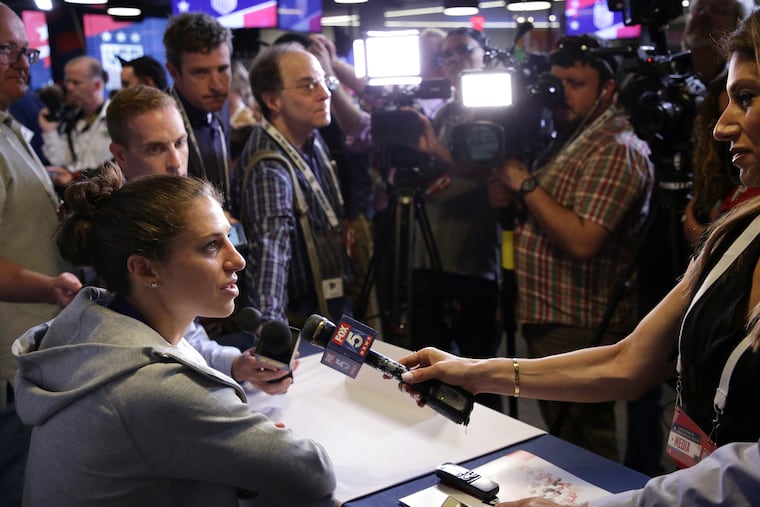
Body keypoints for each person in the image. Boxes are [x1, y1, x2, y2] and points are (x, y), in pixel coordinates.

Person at [393, 12, 760, 505]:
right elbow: (627, 360)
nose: (720, 126)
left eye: (747, 98)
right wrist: (474, 372)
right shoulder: (735, 231)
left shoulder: (619, 151)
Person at [12, 164, 336, 505]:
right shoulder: (152, 386)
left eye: (229, 237)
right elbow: (312, 472)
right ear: (145, 269)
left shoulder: (91, 329)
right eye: (211, 246)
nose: (237, 260)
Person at [486, 35, 653, 460]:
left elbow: (583, 240)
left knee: (586, 447)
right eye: (557, 82)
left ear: (608, 89)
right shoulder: (570, 133)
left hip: (581, 320)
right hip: (554, 314)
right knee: (563, 440)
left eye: (576, 83)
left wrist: (525, 185)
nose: (562, 94)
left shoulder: (616, 148)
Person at [105, 84, 295, 393]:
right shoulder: (113, 234)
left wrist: (235, 365)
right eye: (155, 148)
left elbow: (185, 335)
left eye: (180, 143)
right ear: (120, 155)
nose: (175, 162)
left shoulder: (181, 208)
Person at [0, 6, 83, 504]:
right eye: (5, 50)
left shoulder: (8, 123)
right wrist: (50, 286)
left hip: (30, 363)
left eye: (24, 49)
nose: (22, 62)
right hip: (8, 377)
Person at [230, 42, 351, 326]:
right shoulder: (270, 167)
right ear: (273, 101)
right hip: (303, 315)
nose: (325, 94)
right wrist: (270, 337)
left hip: (326, 299)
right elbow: (270, 252)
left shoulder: (308, 135)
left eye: (324, 81)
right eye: (308, 86)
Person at [163, 12, 233, 205]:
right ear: (174, 72)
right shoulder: (156, 120)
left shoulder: (220, 104)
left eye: (222, 69)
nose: (217, 85)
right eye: (200, 72)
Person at [39, 55, 112, 178]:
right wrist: (49, 131)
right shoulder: (70, 120)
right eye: (68, 82)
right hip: (76, 193)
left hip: (109, 192)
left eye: (76, 83)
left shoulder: (116, 119)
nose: (69, 88)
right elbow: (61, 162)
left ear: (98, 85)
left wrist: (74, 177)